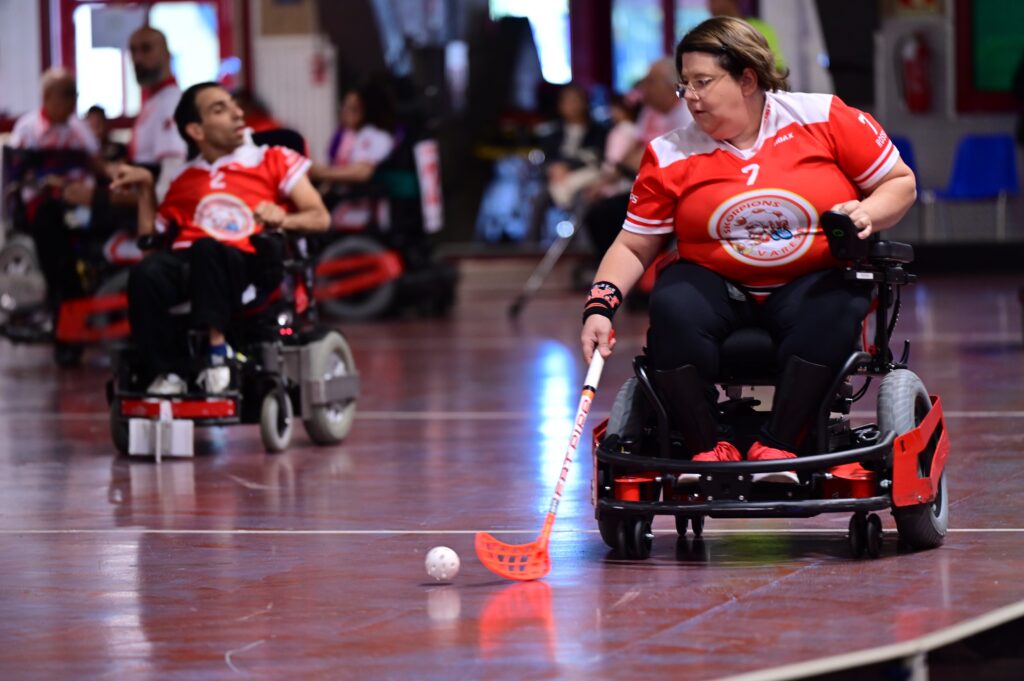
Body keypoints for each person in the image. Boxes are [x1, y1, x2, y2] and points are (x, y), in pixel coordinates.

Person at [579, 17, 916, 480]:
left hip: (809, 280)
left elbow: (899, 183)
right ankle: (705, 447)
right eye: (684, 87)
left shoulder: (824, 118)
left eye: (703, 82)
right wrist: (600, 307)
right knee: (672, 301)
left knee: (839, 302)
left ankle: (779, 447)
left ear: (747, 79)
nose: (691, 97)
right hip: (715, 285)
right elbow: (635, 244)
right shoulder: (671, 152)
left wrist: (868, 213)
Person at [110, 82, 330, 395]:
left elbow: (320, 217)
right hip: (190, 263)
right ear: (196, 131)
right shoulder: (184, 178)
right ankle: (165, 373)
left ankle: (217, 353)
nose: (237, 113)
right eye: (220, 109)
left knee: (206, 250)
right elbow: (151, 241)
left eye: (233, 105)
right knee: (146, 273)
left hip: (246, 259)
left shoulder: (274, 159)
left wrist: (285, 218)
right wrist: (146, 188)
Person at [8, 68, 100, 323]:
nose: (72, 102)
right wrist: (49, 183)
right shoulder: (27, 129)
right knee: (55, 242)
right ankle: (62, 310)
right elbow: (15, 175)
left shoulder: (79, 130)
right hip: (44, 206)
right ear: (48, 97)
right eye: (66, 95)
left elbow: (96, 163)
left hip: (83, 203)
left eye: (75, 95)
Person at [583, 58, 694, 261]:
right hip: (645, 184)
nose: (644, 88)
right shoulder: (650, 112)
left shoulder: (687, 112)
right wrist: (605, 182)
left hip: (672, 192)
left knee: (611, 215)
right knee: (599, 212)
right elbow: (636, 149)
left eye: (650, 82)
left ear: (668, 85)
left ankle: (634, 274)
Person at [310, 81, 397, 228]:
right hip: (342, 200)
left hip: (363, 207)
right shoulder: (344, 136)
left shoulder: (375, 136)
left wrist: (320, 173)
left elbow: (362, 172)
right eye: (344, 106)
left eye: (353, 109)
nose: (345, 112)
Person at [709, 0, 786, 72]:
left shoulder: (760, 28)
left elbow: (777, 69)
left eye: (715, 0)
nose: (711, 6)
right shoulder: (710, 32)